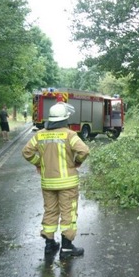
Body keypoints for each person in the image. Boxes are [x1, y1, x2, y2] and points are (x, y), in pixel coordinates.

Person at [22, 102, 90, 258]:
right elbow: (84, 151)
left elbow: (26, 152)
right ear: (65, 118)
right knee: (68, 214)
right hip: (68, 183)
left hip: (48, 182)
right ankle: (66, 248)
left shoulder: (40, 134)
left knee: (50, 211)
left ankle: (49, 245)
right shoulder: (69, 135)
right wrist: (77, 161)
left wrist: (38, 163)